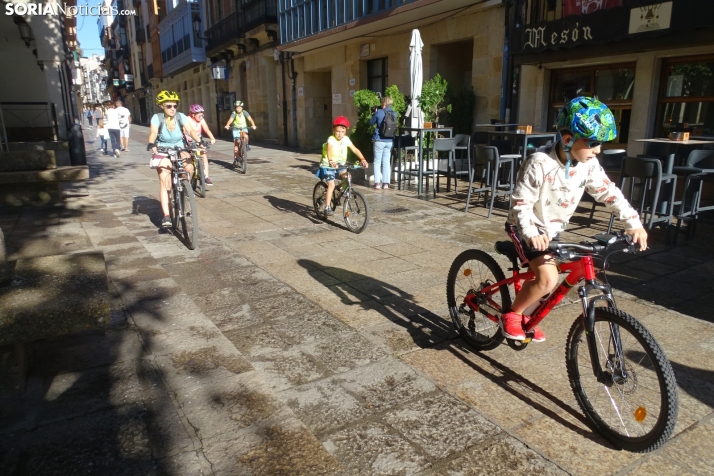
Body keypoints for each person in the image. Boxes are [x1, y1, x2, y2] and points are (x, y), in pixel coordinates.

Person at [502, 96, 648, 343]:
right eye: (593, 143)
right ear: (568, 139)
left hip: (552, 230)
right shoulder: (540, 163)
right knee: (548, 278)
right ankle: (514, 315)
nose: (598, 150)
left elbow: (609, 192)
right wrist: (530, 233)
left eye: (600, 144)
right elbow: (521, 203)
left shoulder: (588, 165)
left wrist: (633, 222)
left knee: (551, 279)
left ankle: (528, 315)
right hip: (525, 226)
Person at [146, 90, 202, 228]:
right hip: (163, 149)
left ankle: (184, 188)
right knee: (165, 180)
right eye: (169, 106)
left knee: (189, 166)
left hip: (180, 147)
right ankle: (166, 215)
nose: (172, 109)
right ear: (162, 106)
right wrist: (152, 143)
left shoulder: (180, 116)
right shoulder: (157, 118)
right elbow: (153, 133)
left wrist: (199, 141)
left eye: (175, 106)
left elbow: (190, 130)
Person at [318, 116, 368, 216]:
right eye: (337, 131)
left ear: (345, 131)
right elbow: (329, 150)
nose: (340, 134)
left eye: (342, 131)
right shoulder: (331, 139)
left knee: (347, 177)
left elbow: (355, 149)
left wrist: (362, 159)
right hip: (328, 165)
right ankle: (327, 207)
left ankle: (339, 193)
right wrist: (330, 160)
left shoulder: (346, 139)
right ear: (333, 130)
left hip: (340, 164)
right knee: (331, 185)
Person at [368, 96, 395, 189]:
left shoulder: (379, 112)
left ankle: (377, 183)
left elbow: (371, 122)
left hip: (379, 139)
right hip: (389, 140)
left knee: (377, 161)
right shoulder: (394, 113)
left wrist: (374, 113)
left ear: (383, 103)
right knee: (386, 162)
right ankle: (386, 183)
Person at [186, 104, 217, 185]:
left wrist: (212, 138)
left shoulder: (201, 120)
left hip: (198, 140)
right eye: (199, 115)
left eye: (202, 114)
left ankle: (206, 176)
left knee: (203, 155)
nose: (201, 116)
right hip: (187, 140)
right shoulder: (187, 120)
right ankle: (188, 179)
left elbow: (206, 129)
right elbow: (183, 131)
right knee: (188, 158)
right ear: (193, 115)